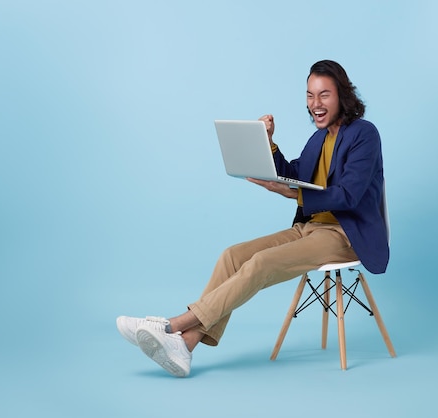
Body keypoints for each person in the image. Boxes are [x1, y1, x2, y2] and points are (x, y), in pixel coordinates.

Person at [116, 60, 388, 377]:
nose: (315, 104)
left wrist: (292, 194)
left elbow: (348, 195)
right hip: (310, 228)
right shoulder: (319, 138)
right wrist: (267, 142)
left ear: (342, 95)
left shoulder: (364, 135)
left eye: (324, 95)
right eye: (310, 95)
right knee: (233, 255)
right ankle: (185, 346)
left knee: (259, 264)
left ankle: (172, 325)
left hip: (346, 235)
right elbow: (295, 175)